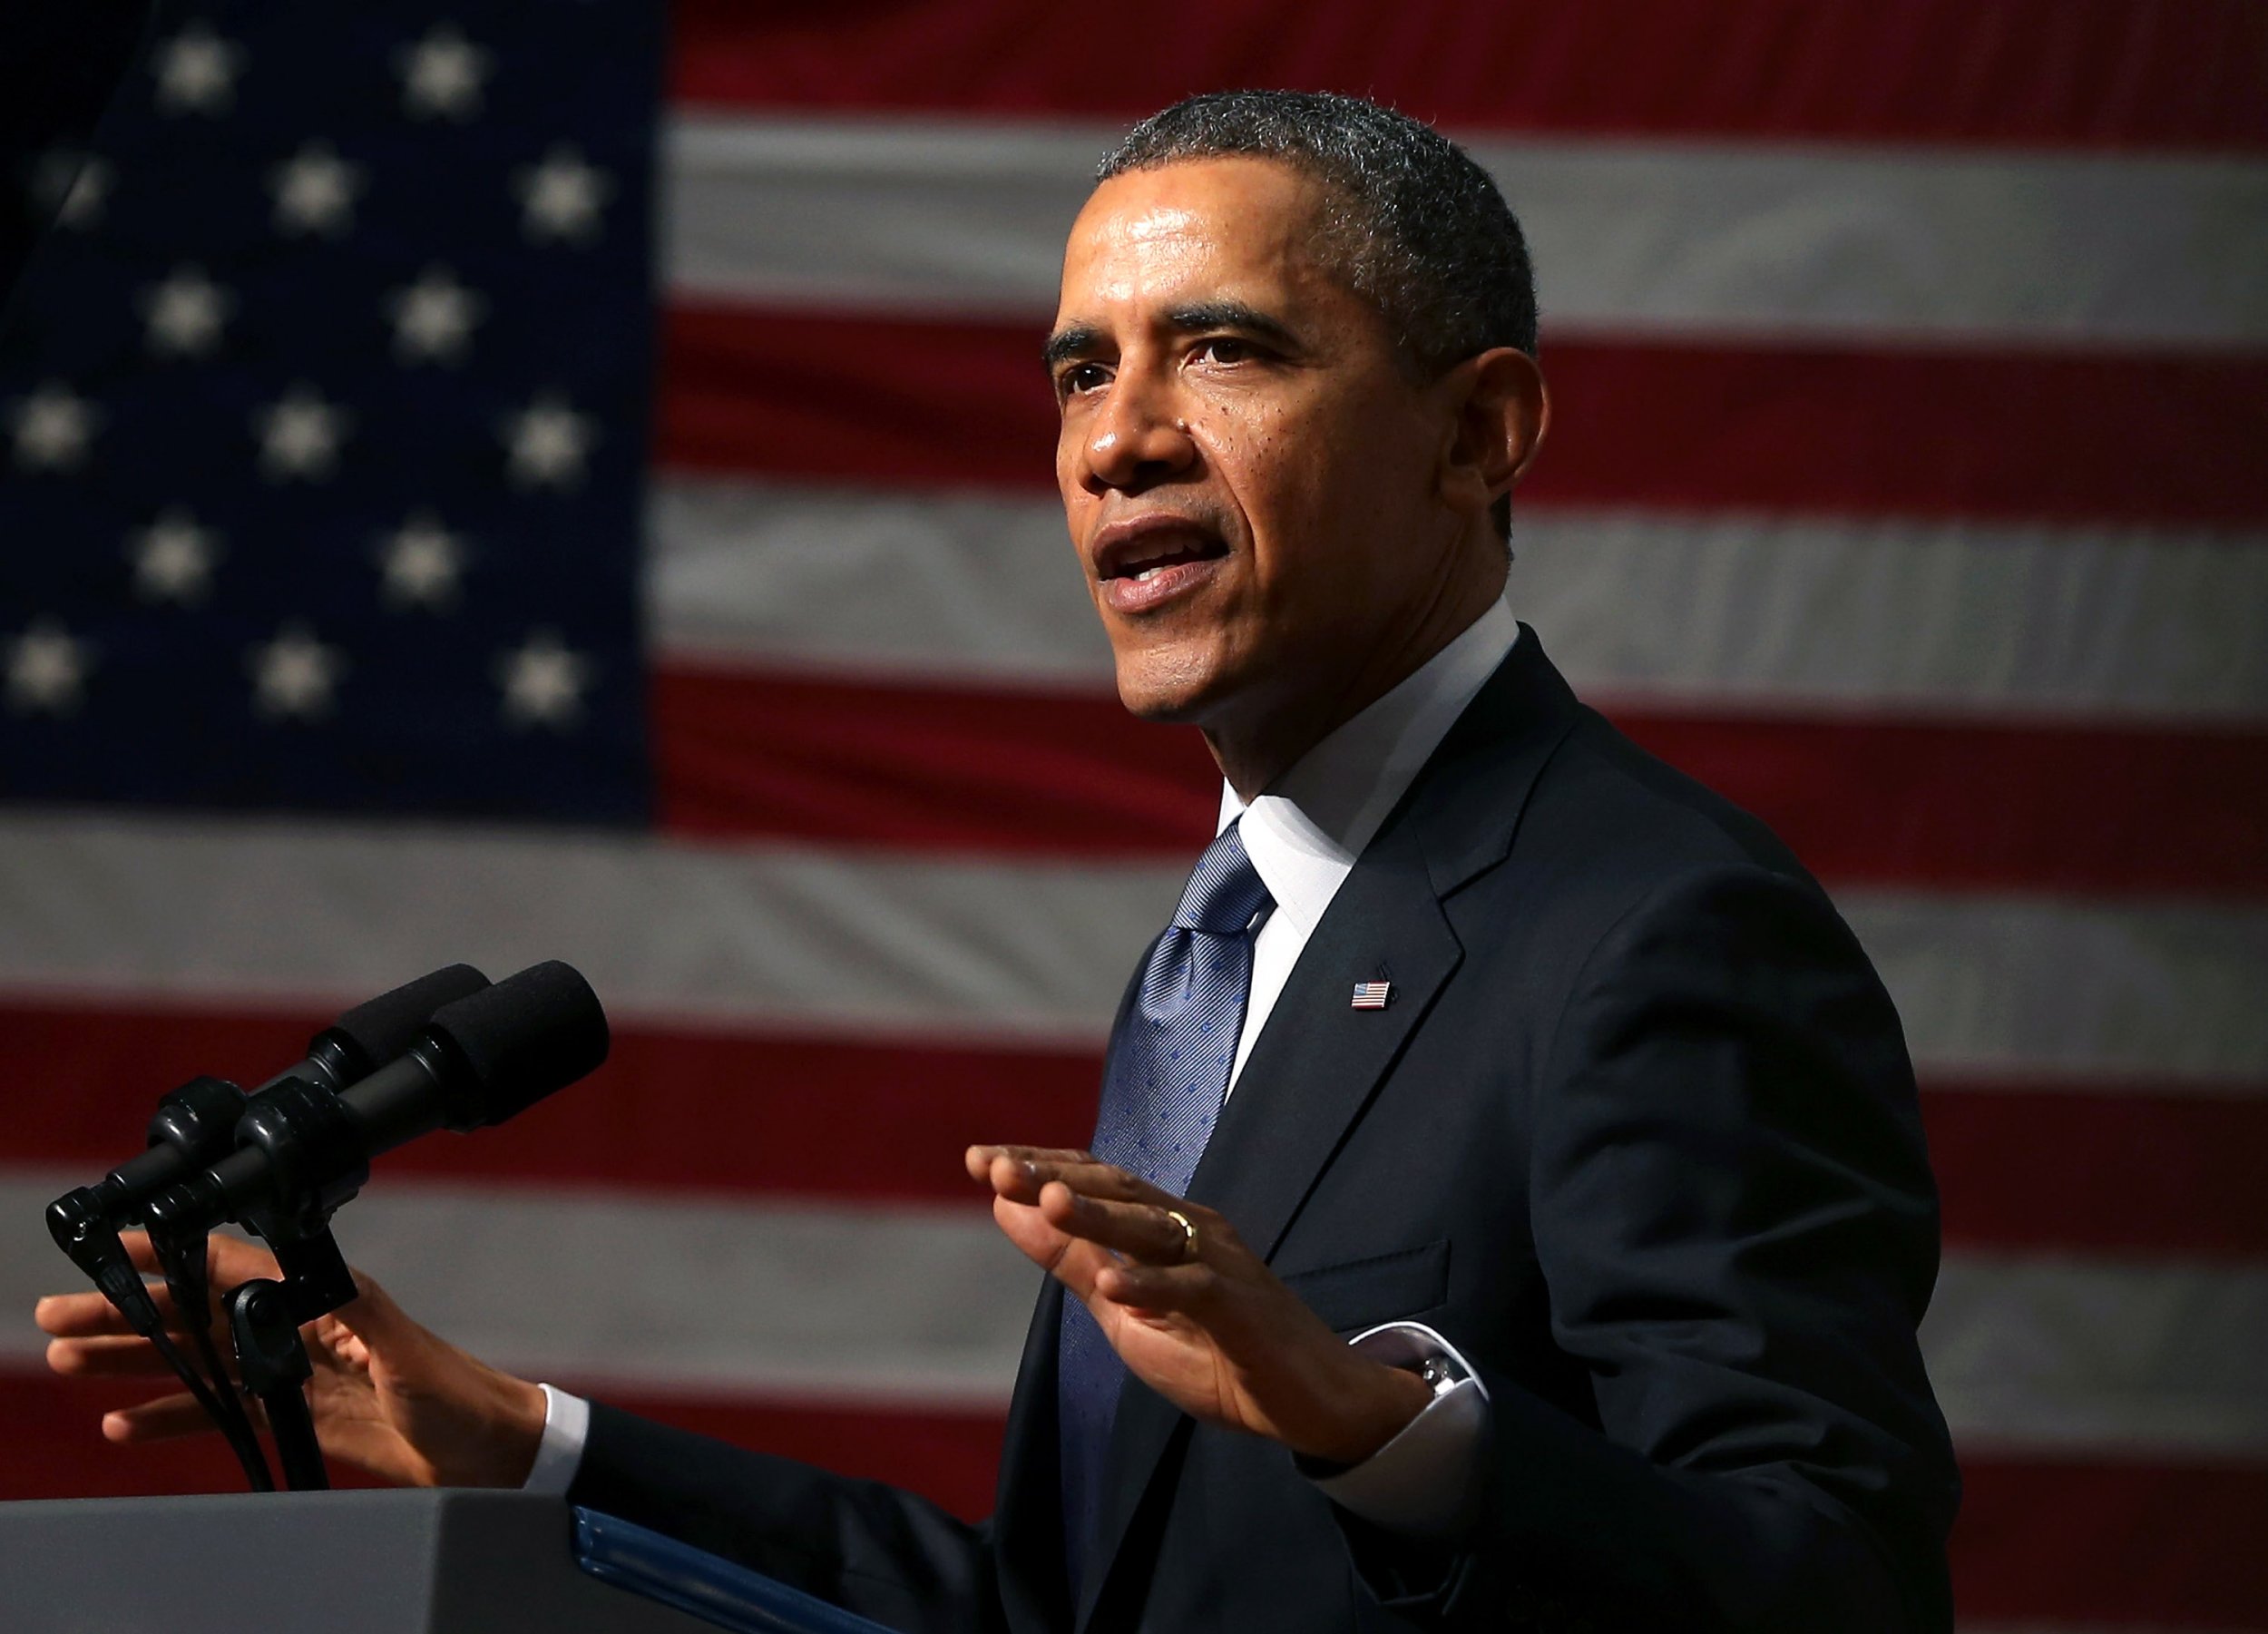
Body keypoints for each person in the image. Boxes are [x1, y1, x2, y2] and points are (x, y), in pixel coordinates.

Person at [38, 92, 1960, 1630]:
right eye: (1073, 372)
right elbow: (1058, 1607)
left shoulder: (1648, 927)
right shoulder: (1226, 947)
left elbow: (1828, 1581)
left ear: (1481, 433)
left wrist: (1373, 1423)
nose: (1116, 439)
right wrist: (528, 1442)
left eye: (1219, 351)